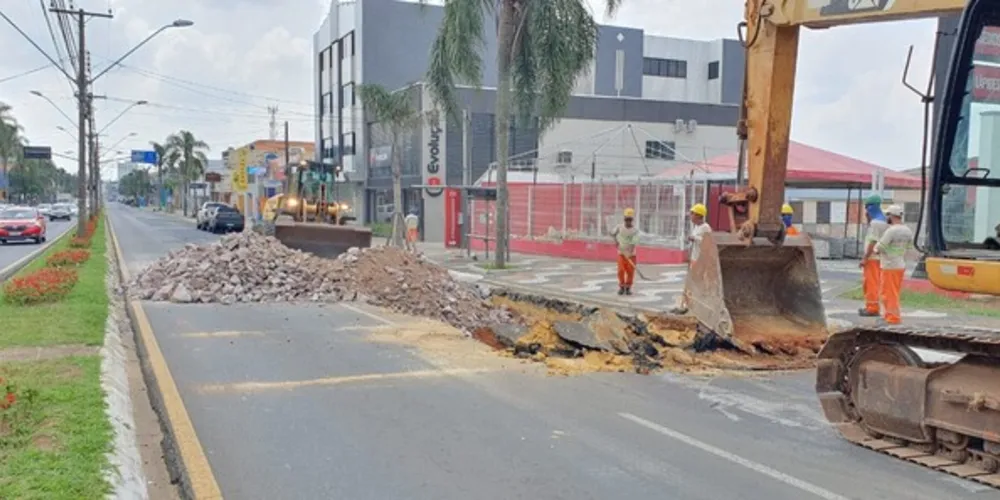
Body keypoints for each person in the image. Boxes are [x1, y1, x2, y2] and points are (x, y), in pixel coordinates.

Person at [874, 204, 912, 325]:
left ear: (891, 216)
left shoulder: (891, 231)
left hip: (889, 265)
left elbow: (880, 247)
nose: (886, 218)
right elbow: (909, 248)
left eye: (888, 215)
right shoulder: (907, 230)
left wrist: (875, 250)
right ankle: (889, 315)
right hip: (900, 264)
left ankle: (892, 317)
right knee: (893, 292)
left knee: (888, 293)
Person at [859, 194, 888, 317]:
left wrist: (865, 258)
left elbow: (873, 241)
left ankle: (872, 308)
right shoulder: (884, 221)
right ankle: (872, 306)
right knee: (876, 283)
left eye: (866, 208)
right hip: (880, 258)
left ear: (870, 208)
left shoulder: (876, 223)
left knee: (871, 283)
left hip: (872, 258)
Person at [611, 208, 640, 296]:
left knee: (630, 272)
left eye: (629, 220)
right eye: (626, 219)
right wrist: (616, 241)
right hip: (621, 254)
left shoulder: (635, 231)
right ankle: (621, 286)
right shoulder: (619, 227)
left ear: (632, 220)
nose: (627, 221)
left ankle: (628, 288)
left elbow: (633, 244)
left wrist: (629, 253)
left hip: (631, 255)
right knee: (620, 271)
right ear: (624, 219)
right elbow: (613, 234)